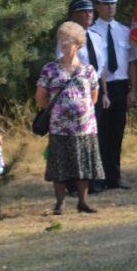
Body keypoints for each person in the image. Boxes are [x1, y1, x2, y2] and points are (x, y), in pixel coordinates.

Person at [37, 22, 103, 215]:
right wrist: (60, 110)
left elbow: (94, 96)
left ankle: (83, 202)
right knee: (59, 166)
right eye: (61, 40)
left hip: (84, 128)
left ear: (78, 44)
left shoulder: (88, 70)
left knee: (83, 165)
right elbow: (41, 97)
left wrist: (80, 109)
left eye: (68, 40)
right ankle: (60, 203)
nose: (64, 44)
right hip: (59, 127)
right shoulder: (50, 68)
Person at [89, 0, 137, 190]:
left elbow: (132, 62)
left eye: (113, 3)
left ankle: (114, 177)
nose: (110, 7)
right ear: (98, 7)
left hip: (121, 85)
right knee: (101, 132)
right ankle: (99, 178)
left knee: (117, 132)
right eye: (106, 4)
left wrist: (133, 89)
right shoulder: (92, 32)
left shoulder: (124, 31)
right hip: (101, 87)